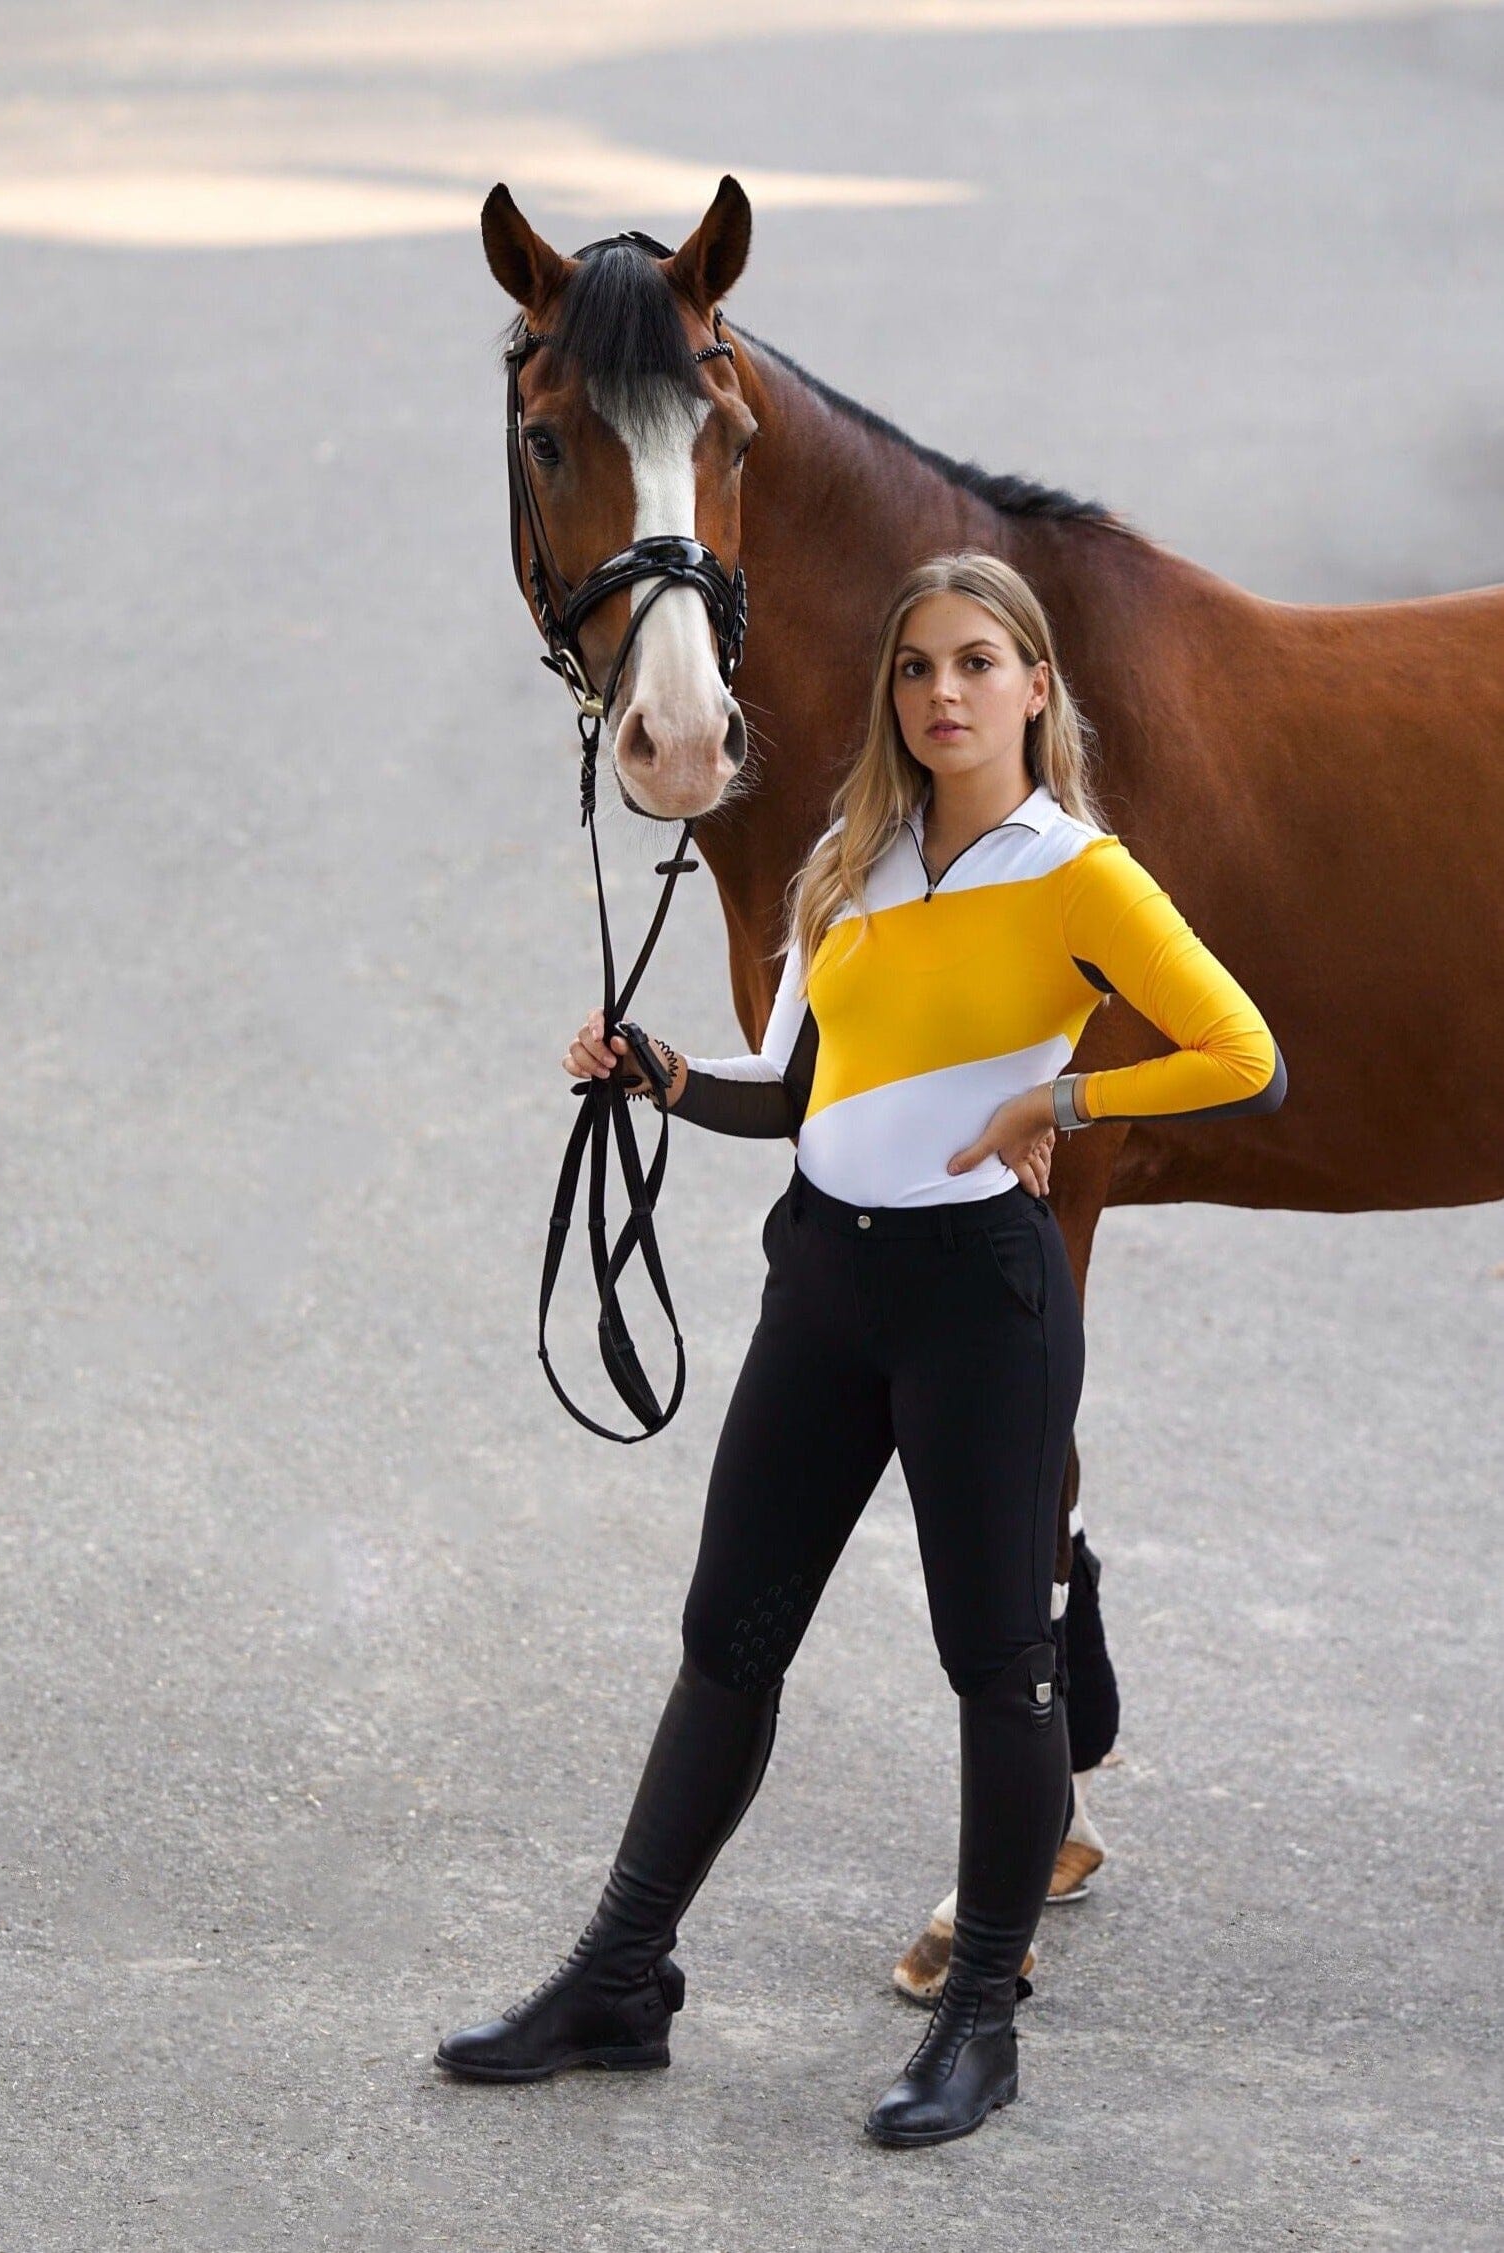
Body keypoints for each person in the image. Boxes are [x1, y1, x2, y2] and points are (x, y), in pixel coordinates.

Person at [434, 551, 1285, 2147]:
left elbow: (1245, 1055)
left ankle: (980, 2021)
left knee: (995, 1663)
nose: (941, 693)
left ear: (1036, 686)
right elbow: (801, 1089)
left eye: (976, 663)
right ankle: (620, 1976)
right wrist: (664, 1074)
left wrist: (1064, 1101)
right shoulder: (856, 853)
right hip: (822, 1280)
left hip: (981, 1300)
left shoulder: (1077, 871)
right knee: (727, 1636)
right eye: (914, 669)